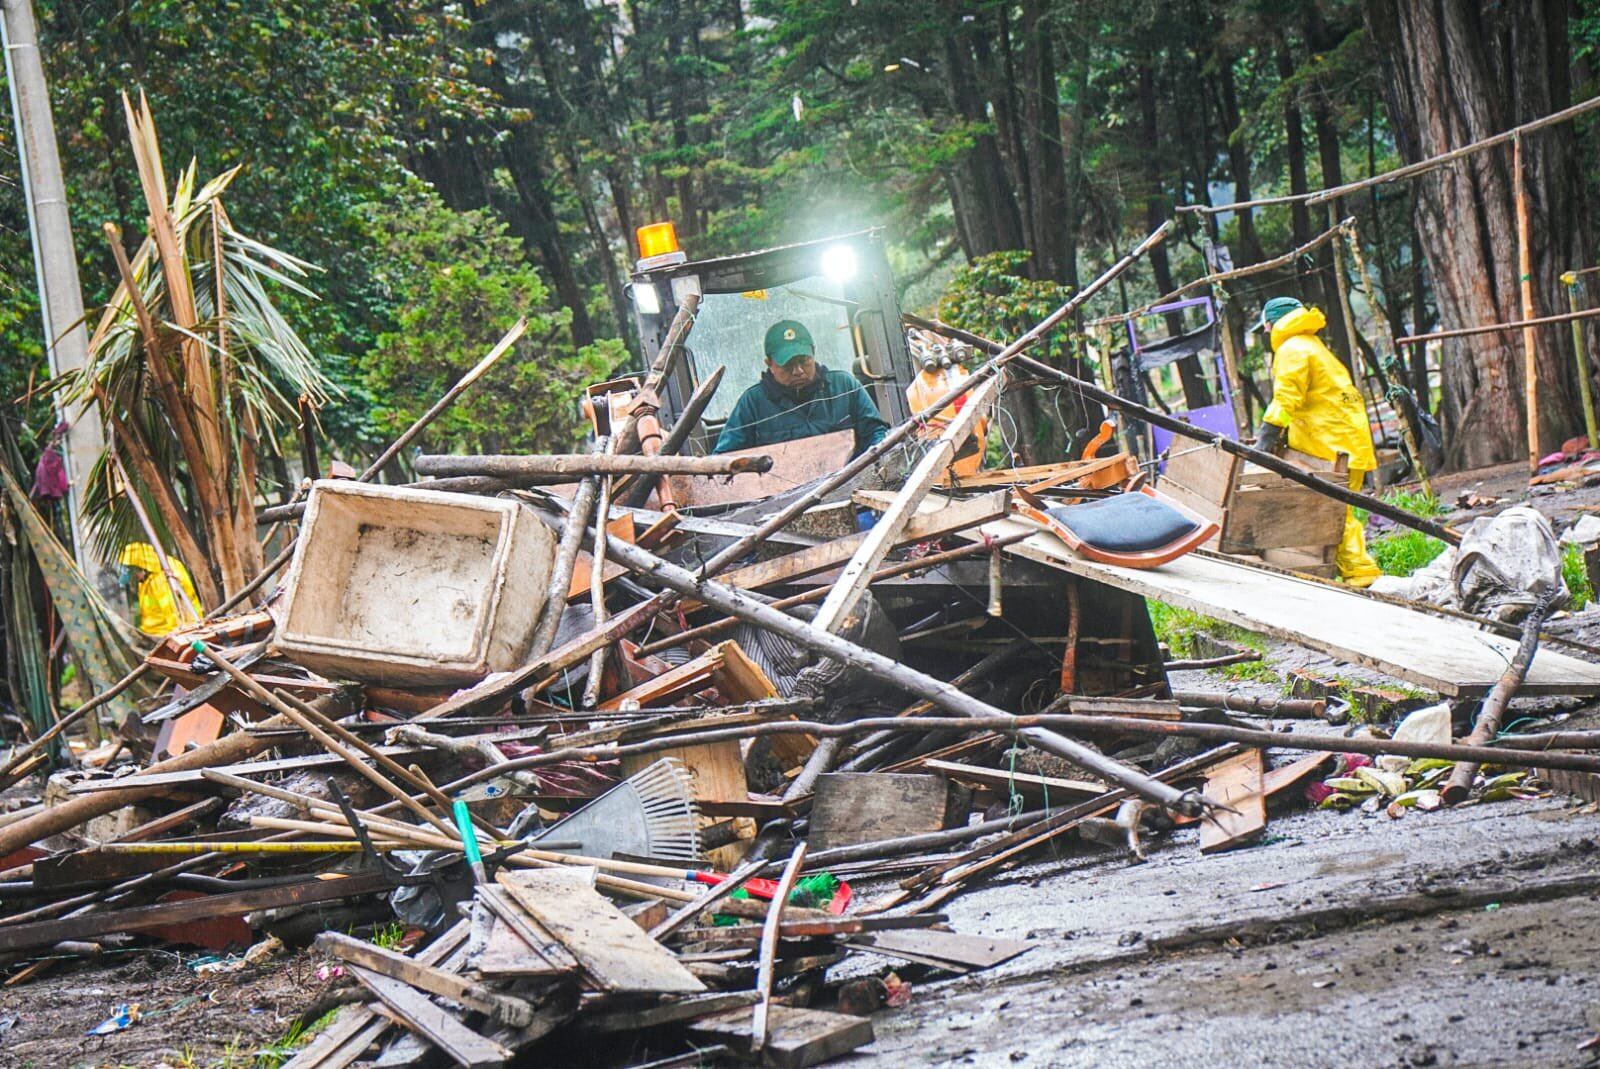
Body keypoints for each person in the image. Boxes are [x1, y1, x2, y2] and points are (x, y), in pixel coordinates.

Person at [1253, 296, 1382, 588]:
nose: (1265, 333)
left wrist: (1265, 439)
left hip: (1331, 448)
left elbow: (1287, 398)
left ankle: (1362, 575)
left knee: (1334, 512)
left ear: (1272, 323)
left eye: (1265, 326)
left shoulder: (1291, 349)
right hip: (1346, 443)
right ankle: (1350, 571)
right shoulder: (1313, 346)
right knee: (1338, 511)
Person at [713, 319, 889, 457]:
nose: (798, 371)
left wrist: (874, 461)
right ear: (769, 363)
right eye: (788, 364)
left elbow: (876, 432)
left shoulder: (844, 386)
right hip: (783, 499)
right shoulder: (752, 403)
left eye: (804, 361)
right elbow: (725, 458)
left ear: (813, 352)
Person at [119, 542, 201, 636]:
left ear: (141, 567)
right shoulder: (147, 579)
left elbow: (175, 616)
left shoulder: (162, 579)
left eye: (135, 574)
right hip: (158, 633)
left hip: (172, 634)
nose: (136, 578)